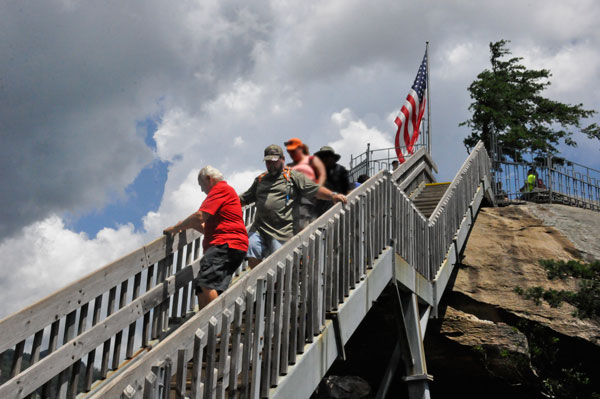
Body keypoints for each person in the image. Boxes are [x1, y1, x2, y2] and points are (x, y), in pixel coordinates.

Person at [240, 144, 347, 268]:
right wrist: (224, 203)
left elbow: (314, 190)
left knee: (279, 264)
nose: (270, 164)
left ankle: (277, 286)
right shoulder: (260, 180)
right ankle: (261, 284)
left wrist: (332, 196)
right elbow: (245, 198)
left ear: (283, 159)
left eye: (274, 161)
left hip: (282, 231)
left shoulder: (293, 177)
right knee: (252, 248)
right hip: (259, 228)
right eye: (268, 162)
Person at [163, 166, 248, 310]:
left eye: (202, 185)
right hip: (235, 245)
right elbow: (208, 226)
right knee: (213, 287)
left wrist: (175, 229)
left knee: (205, 283)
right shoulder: (228, 192)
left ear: (209, 179)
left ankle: (212, 324)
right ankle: (210, 327)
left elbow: (200, 216)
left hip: (225, 244)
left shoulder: (220, 189)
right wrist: (189, 225)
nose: (202, 190)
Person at [284, 138, 327, 232]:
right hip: (295, 197)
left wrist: (317, 188)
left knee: (304, 221)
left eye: (294, 150)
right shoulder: (289, 165)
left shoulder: (312, 160)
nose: (292, 153)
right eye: (290, 151)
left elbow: (322, 174)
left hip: (309, 195)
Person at [314, 145, 351, 215]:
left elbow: (348, 190)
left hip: (339, 209)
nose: (325, 159)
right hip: (319, 211)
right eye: (322, 157)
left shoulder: (341, 170)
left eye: (327, 156)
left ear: (332, 158)